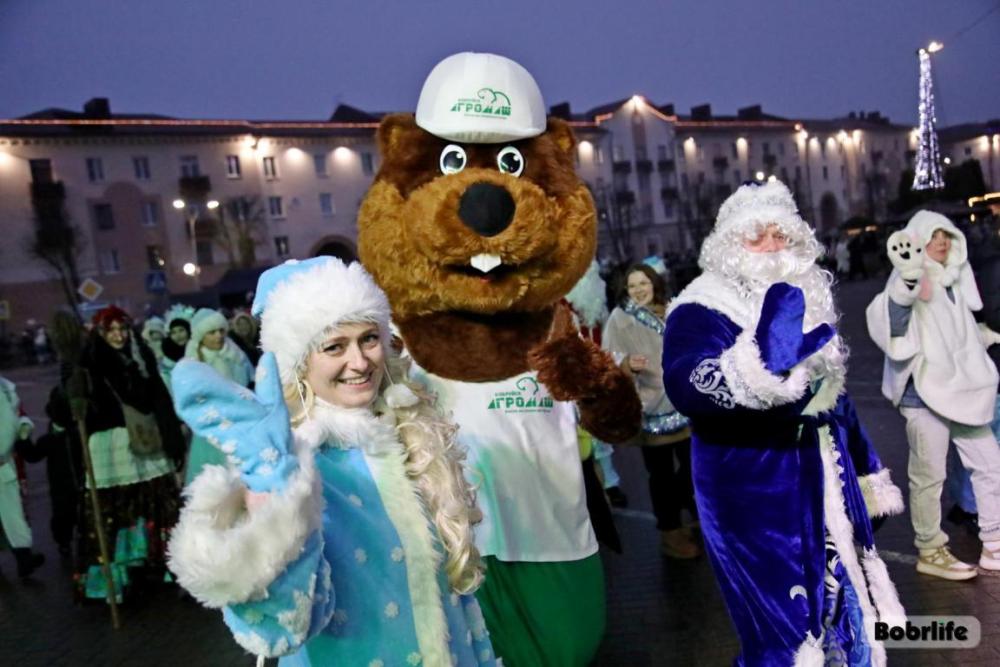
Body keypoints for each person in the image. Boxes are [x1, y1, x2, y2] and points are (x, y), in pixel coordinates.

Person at [168, 257, 496, 665]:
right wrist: (277, 498)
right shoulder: (295, 464)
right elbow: (278, 629)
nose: (359, 362)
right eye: (334, 346)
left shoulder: (412, 434)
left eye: (369, 339)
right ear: (299, 363)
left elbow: (461, 607)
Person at [662, 180, 905, 665]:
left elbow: (835, 400)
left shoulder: (807, 294)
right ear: (730, 245)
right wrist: (758, 370)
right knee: (783, 637)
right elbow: (685, 380)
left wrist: (867, 470)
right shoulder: (701, 306)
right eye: (758, 237)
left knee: (843, 610)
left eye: (782, 236)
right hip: (754, 495)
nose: (773, 247)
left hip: (825, 481)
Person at [866, 210, 1000, 580]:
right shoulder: (910, 279)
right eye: (933, 236)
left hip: (963, 390)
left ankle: (994, 541)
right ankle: (930, 547)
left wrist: (988, 337)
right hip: (922, 392)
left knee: (990, 464)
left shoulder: (953, 280)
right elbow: (893, 323)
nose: (941, 242)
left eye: (946, 235)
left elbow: (962, 336)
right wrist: (908, 279)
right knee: (929, 474)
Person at [75, 305, 183, 601]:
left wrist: (173, 441)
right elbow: (73, 407)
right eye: (111, 331)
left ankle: (164, 565)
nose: (119, 335)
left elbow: (159, 400)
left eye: (122, 329)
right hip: (109, 447)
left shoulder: (141, 357)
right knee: (117, 509)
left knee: (156, 502)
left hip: (145, 440)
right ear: (100, 333)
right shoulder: (90, 364)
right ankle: (120, 575)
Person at [603, 263, 699, 558]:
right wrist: (626, 364)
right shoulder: (620, 318)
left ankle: (695, 515)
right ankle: (670, 532)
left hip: (683, 402)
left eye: (643, 283)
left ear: (654, 283)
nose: (638, 290)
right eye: (632, 286)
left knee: (694, 468)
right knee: (660, 476)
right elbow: (608, 356)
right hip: (650, 408)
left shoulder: (672, 308)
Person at [182, 308, 254, 485]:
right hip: (211, 428)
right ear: (201, 336)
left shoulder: (235, 354)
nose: (218, 336)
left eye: (221, 331)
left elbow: (248, 383)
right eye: (212, 332)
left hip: (241, 423)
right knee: (215, 479)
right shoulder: (193, 361)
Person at [0, 375, 46, 578]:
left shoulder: (5, 387)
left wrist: (24, 426)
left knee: (13, 511)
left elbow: (17, 413)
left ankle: (24, 557)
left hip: (5, 461)